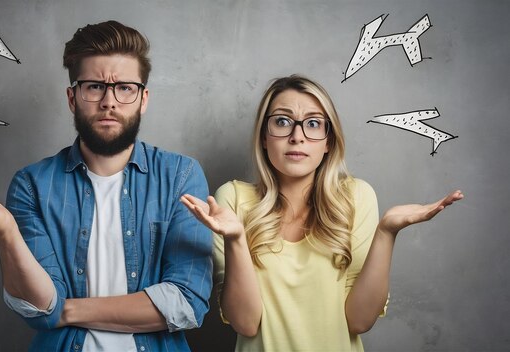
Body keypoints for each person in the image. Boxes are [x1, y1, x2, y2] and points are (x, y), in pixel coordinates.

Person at [0, 20, 212, 352]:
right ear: (72, 98)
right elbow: (40, 307)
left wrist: (67, 309)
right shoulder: (32, 184)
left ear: (143, 99)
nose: (109, 101)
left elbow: (186, 302)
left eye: (125, 88)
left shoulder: (180, 176)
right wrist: (6, 233)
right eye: (93, 86)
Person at [180, 75, 463, 351]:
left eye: (313, 124)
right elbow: (246, 324)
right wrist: (236, 239)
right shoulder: (233, 199)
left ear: (328, 141)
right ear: (264, 137)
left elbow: (360, 321)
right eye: (282, 121)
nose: (297, 137)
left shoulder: (356, 197)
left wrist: (387, 233)